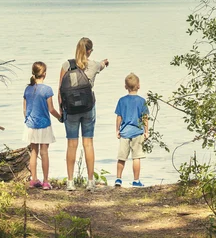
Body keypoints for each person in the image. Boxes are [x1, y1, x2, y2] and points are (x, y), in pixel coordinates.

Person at [59, 37, 109, 191]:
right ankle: (90, 182)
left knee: (71, 145)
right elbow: (101, 65)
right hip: (88, 109)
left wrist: (61, 109)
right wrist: (105, 63)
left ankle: (70, 182)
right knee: (88, 144)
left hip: (71, 110)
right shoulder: (93, 65)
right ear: (89, 51)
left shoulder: (66, 65)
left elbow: (60, 89)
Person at [23, 61, 61, 190]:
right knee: (44, 152)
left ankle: (33, 180)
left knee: (34, 152)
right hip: (44, 124)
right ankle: (45, 181)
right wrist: (60, 117)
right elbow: (51, 109)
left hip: (31, 125)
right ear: (44, 74)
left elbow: (24, 110)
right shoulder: (47, 90)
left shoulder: (27, 89)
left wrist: (28, 120)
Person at [114, 72, 149, 188]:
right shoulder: (142, 101)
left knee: (121, 157)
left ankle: (118, 179)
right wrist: (146, 131)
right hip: (137, 132)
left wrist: (117, 130)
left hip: (124, 132)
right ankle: (136, 180)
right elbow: (145, 118)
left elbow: (119, 117)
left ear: (125, 87)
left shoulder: (122, 101)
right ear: (138, 86)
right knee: (136, 157)